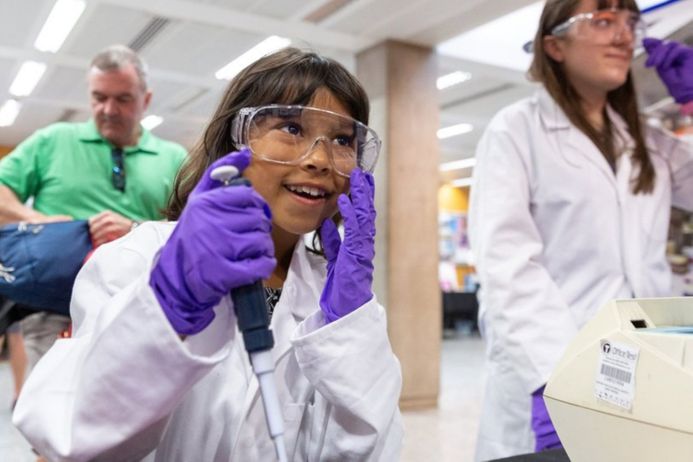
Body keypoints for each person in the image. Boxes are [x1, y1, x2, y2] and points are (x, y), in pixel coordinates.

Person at [13, 47, 403, 461]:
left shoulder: (340, 300)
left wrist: (350, 337)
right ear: (236, 137)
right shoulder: (139, 259)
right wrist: (168, 304)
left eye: (343, 140)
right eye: (291, 128)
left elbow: (374, 450)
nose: (321, 159)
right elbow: (67, 438)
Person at [468, 0, 693, 459]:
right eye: (603, 20)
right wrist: (552, 379)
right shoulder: (516, 130)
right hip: (551, 365)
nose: (623, 35)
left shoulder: (648, 141)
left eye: (631, 22)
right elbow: (506, 264)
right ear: (555, 45)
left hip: (647, 364)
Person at [0, 45, 187, 376]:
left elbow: (191, 229)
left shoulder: (173, 158)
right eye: (99, 97)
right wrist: (39, 221)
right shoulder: (53, 140)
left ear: (145, 100)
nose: (108, 109)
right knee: (50, 415)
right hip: (54, 309)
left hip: (141, 308)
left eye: (123, 99)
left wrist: (134, 229)